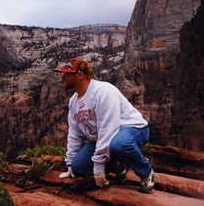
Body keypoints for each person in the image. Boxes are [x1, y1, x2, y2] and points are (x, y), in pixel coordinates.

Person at [52, 57, 154, 193]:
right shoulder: (73, 102)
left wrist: (99, 166)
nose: (62, 77)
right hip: (103, 137)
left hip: (132, 129)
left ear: (79, 75)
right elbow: (75, 134)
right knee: (79, 168)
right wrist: (70, 163)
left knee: (119, 145)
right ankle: (117, 164)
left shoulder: (103, 92)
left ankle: (146, 172)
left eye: (66, 74)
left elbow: (108, 129)